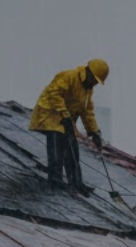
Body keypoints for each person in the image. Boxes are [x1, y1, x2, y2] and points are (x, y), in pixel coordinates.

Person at [29, 59, 109, 193]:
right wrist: (65, 115)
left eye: (97, 82)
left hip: (66, 118)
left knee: (72, 147)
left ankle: (76, 182)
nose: (95, 83)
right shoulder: (68, 76)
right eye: (95, 79)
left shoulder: (88, 90)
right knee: (57, 144)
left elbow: (87, 111)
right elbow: (54, 93)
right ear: (88, 72)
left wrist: (94, 131)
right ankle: (55, 180)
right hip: (50, 113)